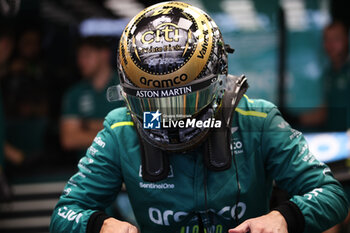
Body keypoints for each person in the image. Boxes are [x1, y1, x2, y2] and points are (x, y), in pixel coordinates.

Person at [50, 2, 348, 233]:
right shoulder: (121, 130)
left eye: (184, 99)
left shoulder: (257, 120)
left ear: (218, 80)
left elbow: (331, 195)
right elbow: (65, 213)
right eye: (152, 101)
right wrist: (99, 224)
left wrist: (285, 217)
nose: (170, 116)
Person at [60, 37, 124, 155]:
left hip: (123, 168)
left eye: (87, 55)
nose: (81, 61)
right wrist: (114, 129)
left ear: (104, 55)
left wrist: (88, 125)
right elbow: (69, 139)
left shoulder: (127, 88)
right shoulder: (75, 93)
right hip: (87, 169)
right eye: (79, 57)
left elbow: (137, 132)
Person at [300, 21, 350, 131]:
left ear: (347, 40)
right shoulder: (328, 73)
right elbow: (323, 113)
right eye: (327, 39)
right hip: (334, 142)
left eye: (336, 39)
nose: (330, 45)